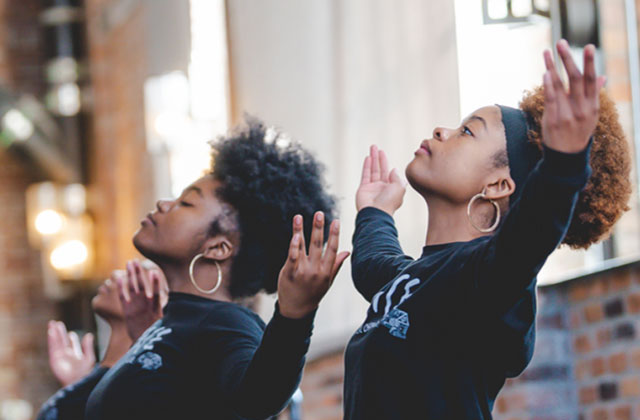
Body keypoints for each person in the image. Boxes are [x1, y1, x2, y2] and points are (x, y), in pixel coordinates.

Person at [344, 40, 631, 419]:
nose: (442, 131)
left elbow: (527, 240)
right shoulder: (412, 281)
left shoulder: (486, 280)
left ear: (498, 186)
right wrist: (376, 211)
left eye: (467, 131)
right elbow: (372, 265)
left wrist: (564, 163)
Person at [85, 119, 349, 420]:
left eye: (185, 203)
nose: (163, 203)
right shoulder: (175, 322)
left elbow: (259, 398)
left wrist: (295, 317)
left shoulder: (225, 323)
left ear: (218, 248)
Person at [37, 262, 167, 420]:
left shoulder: (147, 383)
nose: (115, 274)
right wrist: (76, 384)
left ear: (162, 305)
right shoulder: (100, 380)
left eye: (135, 274)